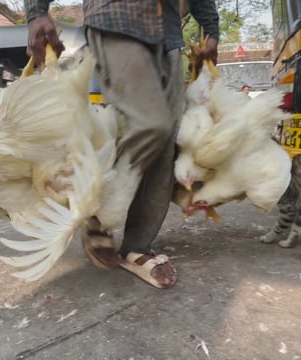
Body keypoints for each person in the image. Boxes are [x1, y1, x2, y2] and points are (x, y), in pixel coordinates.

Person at [25, 0, 219, 288]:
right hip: (116, 17)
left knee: (166, 143)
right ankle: (94, 210)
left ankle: (136, 247)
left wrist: (211, 29)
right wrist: (37, 12)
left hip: (169, 34)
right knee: (152, 124)